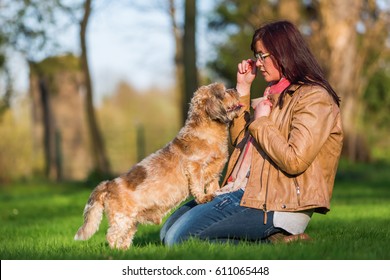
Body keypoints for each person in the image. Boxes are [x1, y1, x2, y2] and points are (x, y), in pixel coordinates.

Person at [160, 20, 343, 246]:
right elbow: (240, 144)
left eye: (262, 56)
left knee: (178, 240)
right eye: (256, 56)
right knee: (166, 231)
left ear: (283, 53)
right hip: (243, 190)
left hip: (277, 203)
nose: (258, 63)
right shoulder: (272, 95)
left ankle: (277, 242)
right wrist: (243, 90)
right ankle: (273, 240)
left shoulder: (315, 98)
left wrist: (262, 121)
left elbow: (295, 160)